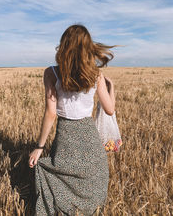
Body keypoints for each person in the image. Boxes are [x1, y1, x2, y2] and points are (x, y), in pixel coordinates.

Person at [28, 24, 117, 216]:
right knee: (91, 178)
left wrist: (39, 147)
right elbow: (110, 110)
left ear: (64, 46)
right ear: (87, 49)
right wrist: (112, 87)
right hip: (90, 138)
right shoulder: (96, 75)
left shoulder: (51, 73)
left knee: (60, 172)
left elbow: (51, 113)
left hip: (66, 135)